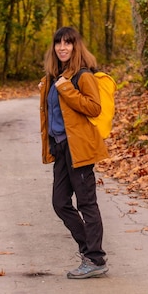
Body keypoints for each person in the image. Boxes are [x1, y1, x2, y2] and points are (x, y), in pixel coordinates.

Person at [38, 26, 109, 279]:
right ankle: (89, 251)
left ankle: (95, 258)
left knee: (87, 202)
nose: (62, 47)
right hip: (61, 147)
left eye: (68, 43)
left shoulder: (82, 75)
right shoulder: (53, 77)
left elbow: (94, 107)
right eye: (58, 43)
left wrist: (66, 89)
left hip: (79, 148)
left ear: (75, 46)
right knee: (60, 203)